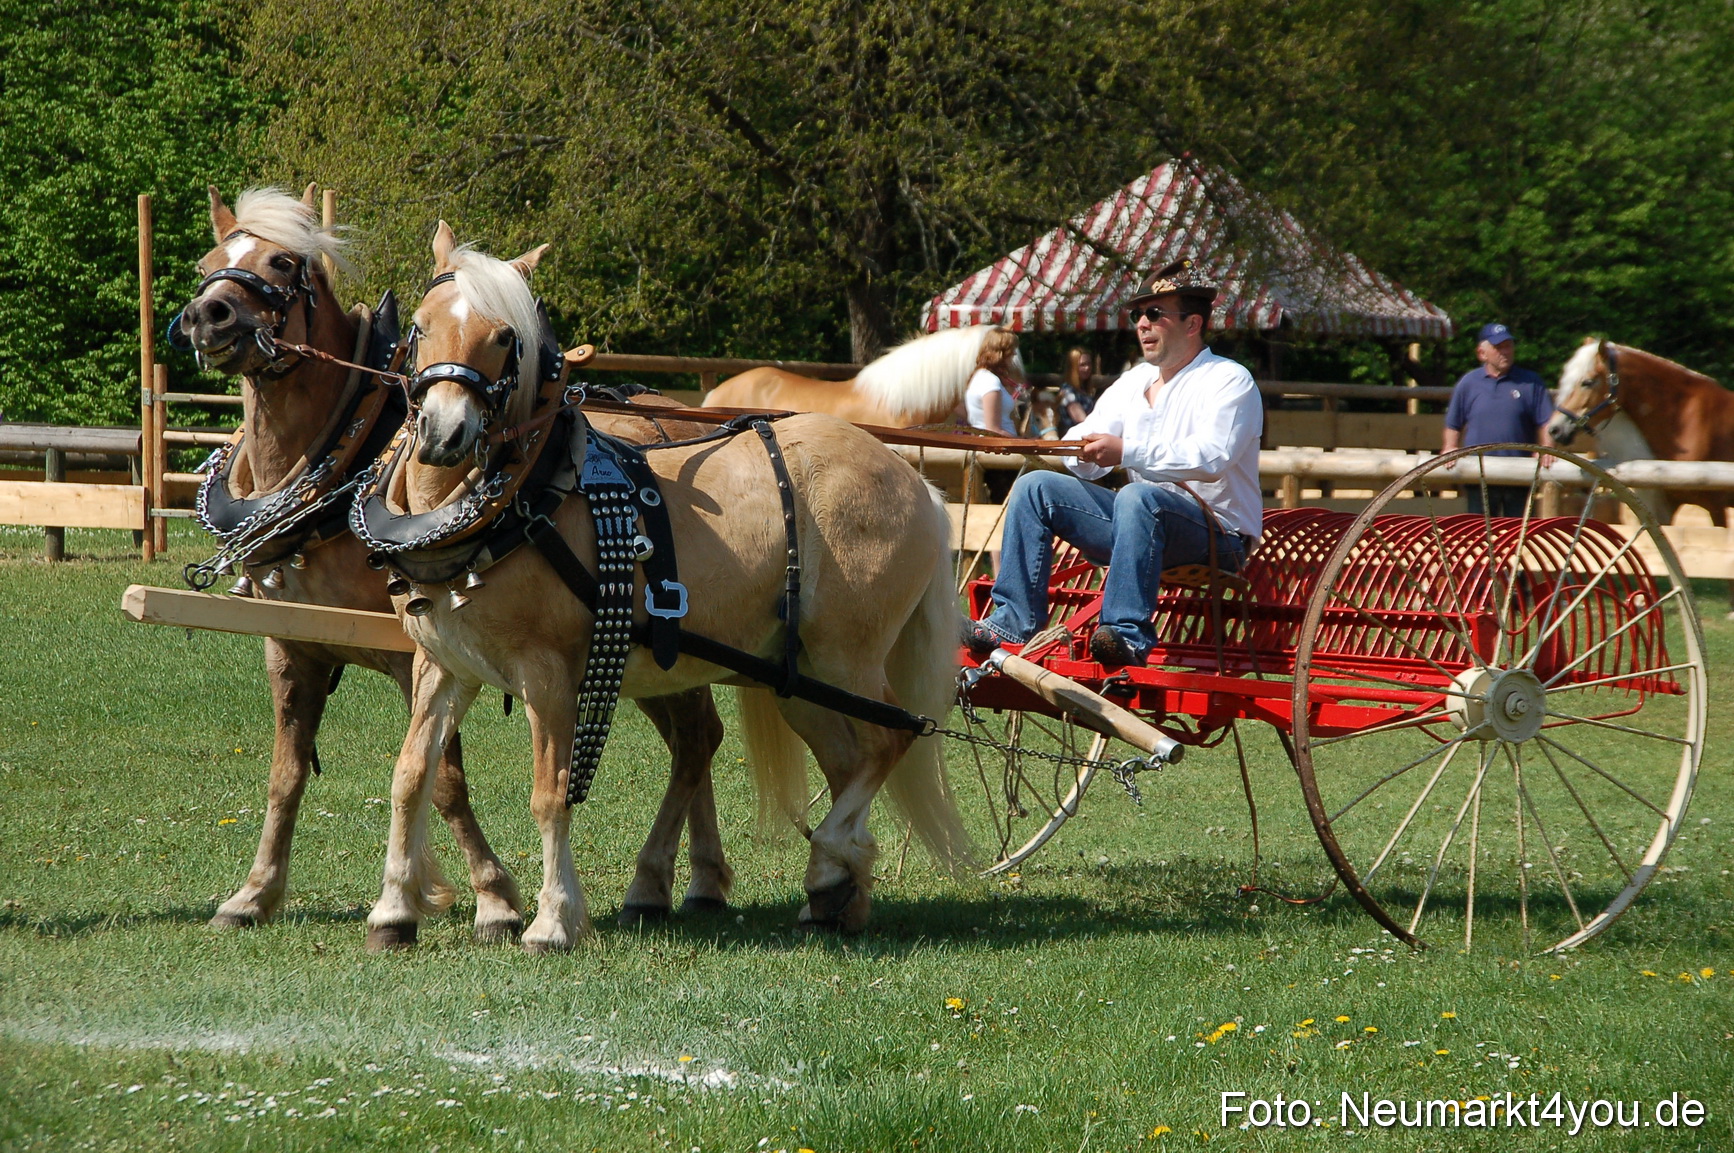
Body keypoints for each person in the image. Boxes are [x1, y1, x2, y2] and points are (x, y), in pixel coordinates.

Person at [963, 259, 1263, 668]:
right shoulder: (1133, 382)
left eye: (1154, 314)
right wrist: (1052, 448)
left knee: (1139, 496)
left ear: (1192, 324)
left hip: (1219, 538)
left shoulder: (1230, 380)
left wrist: (1125, 451)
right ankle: (1014, 621)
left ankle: (1125, 635)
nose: (1141, 323)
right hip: (1139, 523)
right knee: (1035, 488)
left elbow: (1211, 458)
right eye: (1138, 314)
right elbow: (1087, 455)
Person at [1442, 322, 1555, 516]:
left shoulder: (1530, 382)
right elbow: (1453, 423)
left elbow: (1546, 420)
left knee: (1517, 533)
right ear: (1482, 353)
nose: (1505, 352)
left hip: (1520, 474)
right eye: (1498, 347)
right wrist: (1450, 447)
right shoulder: (1469, 383)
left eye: (1508, 346)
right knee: (1479, 532)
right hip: (1478, 475)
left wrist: (1546, 449)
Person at [962, 327, 1023, 436]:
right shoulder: (990, 381)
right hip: (998, 449)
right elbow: (993, 431)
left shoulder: (980, 376)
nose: (1014, 354)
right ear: (1001, 353)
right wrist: (1022, 442)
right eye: (1011, 350)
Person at [1055, 347, 1099, 436]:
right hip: (1075, 440)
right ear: (1073, 368)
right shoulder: (1067, 392)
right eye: (1082, 365)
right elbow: (1082, 419)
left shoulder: (1084, 390)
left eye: (1089, 364)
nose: (1087, 368)